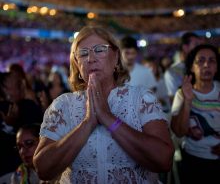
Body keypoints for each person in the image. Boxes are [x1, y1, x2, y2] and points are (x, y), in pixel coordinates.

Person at [33, 26, 174, 184]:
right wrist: (87, 123)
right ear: (77, 66)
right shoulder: (63, 104)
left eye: (99, 50)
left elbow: (164, 161)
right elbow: (43, 169)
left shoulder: (141, 98)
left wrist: (109, 118)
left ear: (116, 58)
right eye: (83, 53)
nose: (91, 58)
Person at [171, 44, 220, 184]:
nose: (206, 64)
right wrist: (187, 101)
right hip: (193, 159)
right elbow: (179, 132)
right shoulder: (182, 94)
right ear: (192, 67)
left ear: (216, 67)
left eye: (212, 60)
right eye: (200, 60)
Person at [164, 32, 203, 103]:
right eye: (196, 45)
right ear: (185, 47)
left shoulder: (205, 68)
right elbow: (174, 102)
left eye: (200, 45)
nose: (200, 48)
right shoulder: (172, 72)